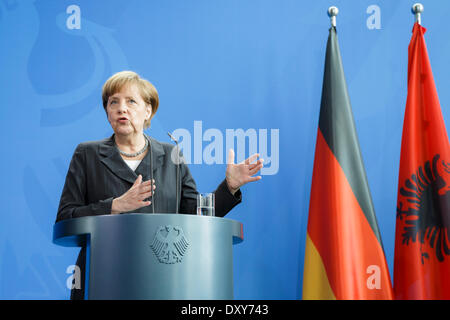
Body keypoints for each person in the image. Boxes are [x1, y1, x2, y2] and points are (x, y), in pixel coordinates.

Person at [55, 70, 264, 299]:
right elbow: (66, 217)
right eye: (113, 101)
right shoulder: (87, 154)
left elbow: (195, 215)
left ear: (148, 111)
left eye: (131, 101)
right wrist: (114, 206)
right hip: (102, 278)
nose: (121, 108)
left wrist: (229, 187)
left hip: (163, 280)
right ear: (107, 111)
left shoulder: (171, 155)